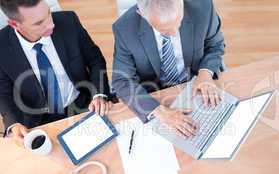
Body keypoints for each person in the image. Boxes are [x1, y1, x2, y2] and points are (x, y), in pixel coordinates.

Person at [0, 0, 113, 145]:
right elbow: (3, 93)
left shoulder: (68, 21)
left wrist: (99, 94)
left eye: (48, 14)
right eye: (39, 23)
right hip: (37, 121)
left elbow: (95, 59)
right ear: (14, 24)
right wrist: (13, 123)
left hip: (84, 104)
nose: (51, 24)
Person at [112, 0, 226, 138]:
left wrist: (205, 73)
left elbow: (215, 45)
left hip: (196, 85)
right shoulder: (124, 28)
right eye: (164, 31)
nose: (174, 33)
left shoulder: (203, 6)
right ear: (141, 14)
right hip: (157, 94)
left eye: (179, 21)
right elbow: (122, 80)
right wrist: (158, 111)